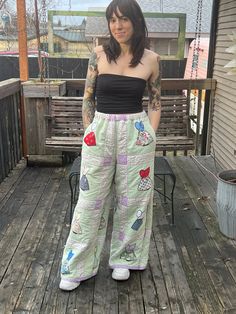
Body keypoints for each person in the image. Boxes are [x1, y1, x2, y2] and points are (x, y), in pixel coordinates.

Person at [59, 0, 161, 291]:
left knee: (133, 200)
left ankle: (124, 259)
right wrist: (90, 129)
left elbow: (155, 102)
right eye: (112, 20)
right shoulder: (99, 55)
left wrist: (150, 135)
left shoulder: (151, 59)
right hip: (100, 131)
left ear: (136, 21)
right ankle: (77, 265)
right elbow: (88, 97)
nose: (117, 26)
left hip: (135, 132)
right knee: (90, 201)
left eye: (124, 19)